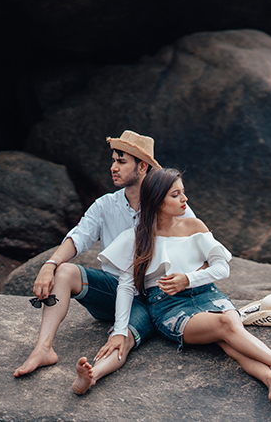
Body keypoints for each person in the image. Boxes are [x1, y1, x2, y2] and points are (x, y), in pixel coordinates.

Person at [74, 168, 271, 401]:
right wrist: (119, 331)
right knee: (227, 325)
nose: (184, 199)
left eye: (183, 192)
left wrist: (187, 279)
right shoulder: (135, 237)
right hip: (168, 306)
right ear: (157, 200)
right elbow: (126, 287)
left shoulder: (195, 226)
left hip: (207, 293)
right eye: (175, 194)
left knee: (229, 339)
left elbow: (222, 268)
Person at [13, 130, 196, 382]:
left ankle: (92, 375)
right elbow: (78, 237)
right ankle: (43, 349)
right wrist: (50, 264)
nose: (113, 167)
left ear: (142, 167)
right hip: (114, 291)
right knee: (64, 271)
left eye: (121, 161)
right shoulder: (105, 205)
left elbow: (198, 244)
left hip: (154, 300)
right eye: (113, 161)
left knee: (122, 338)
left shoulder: (169, 202)